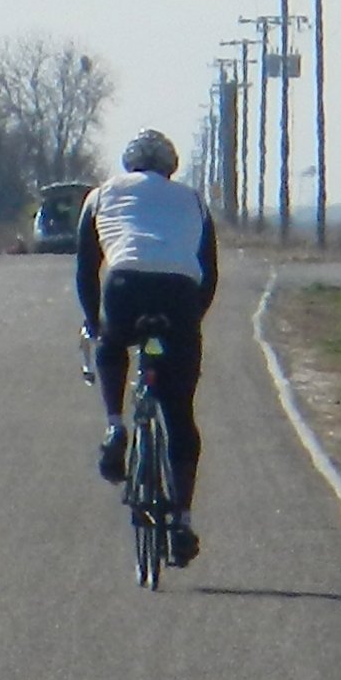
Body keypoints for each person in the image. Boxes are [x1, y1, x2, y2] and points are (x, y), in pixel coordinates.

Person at [73, 128, 218, 566]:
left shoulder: (101, 195)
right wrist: (190, 325)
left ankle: (115, 426)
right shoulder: (193, 200)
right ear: (170, 168)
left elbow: (86, 270)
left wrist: (94, 322)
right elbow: (209, 271)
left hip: (125, 285)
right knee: (180, 415)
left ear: (128, 164)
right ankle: (183, 521)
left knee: (113, 342)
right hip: (179, 295)